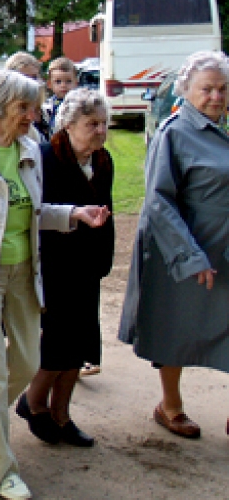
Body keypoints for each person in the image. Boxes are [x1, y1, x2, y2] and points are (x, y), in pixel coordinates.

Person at [0, 70, 109, 500]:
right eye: (24, 108)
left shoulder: (29, 148)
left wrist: (72, 214)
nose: (34, 115)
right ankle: (0, 470)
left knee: (28, 361)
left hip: (24, 275)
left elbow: (35, 211)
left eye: (34, 106)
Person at [118, 50, 229, 441]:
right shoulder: (175, 132)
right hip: (184, 248)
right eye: (207, 89)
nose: (216, 96)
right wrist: (190, 256)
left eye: (222, 88)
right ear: (186, 90)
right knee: (174, 327)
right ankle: (171, 406)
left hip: (226, 247)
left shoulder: (226, 128)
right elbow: (158, 202)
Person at [19, 88, 115, 449]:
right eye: (92, 124)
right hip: (56, 264)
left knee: (82, 340)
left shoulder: (103, 161)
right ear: (69, 125)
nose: (100, 131)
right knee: (58, 340)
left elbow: (109, 212)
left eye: (104, 124)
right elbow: (34, 214)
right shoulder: (46, 157)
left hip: (88, 266)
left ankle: (62, 413)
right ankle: (33, 401)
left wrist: (104, 256)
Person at [38, 57, 77, 144]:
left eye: (68, 81)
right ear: (49, 84)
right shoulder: (46, 106)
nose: (63, 85)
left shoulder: (79, 104)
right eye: (58, 82)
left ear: (76, 83)